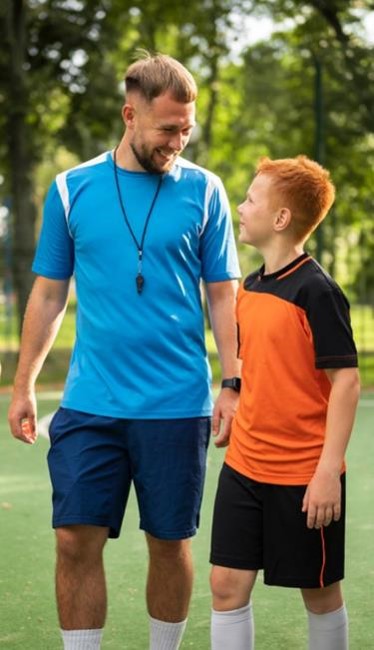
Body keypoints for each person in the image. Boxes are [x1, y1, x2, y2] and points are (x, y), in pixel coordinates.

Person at [8, 52, 241, 650]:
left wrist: (233, 382)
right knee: (73, 539)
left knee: (169, 542)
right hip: (92, 402)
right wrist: (24, 383)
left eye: (186, 129)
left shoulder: (206, 191)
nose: (178, 141)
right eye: (167, 128)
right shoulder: (71, 188)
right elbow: (51, 291)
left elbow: (222, 296)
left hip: (177, 402)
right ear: (129, 114)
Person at [209, 155, 360, 650]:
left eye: (251, 198)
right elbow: (257, 364)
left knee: (318, 594)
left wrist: (326, 472)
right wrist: (232, 393)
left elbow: (346, 382)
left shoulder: (317, 290)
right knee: (226, 586)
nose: (241, 205)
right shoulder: (250, 287)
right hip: (244, 466)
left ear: (280, 219)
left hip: (302, 475)